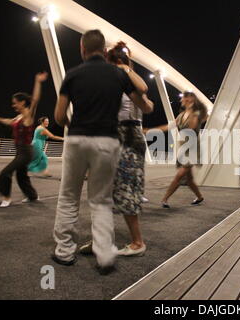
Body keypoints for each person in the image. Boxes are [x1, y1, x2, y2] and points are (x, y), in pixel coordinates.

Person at [52, 30, 149, 272]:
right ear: (104, 51)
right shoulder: (118, 74)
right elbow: (143, 103)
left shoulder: (72, 75)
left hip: (77, 139)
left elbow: (58, 115)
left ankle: (64, 252)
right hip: (107, 141)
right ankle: (105, 256)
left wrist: (71, 123)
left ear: (82, 49)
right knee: (101, 200)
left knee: (68, 197)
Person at [79, 42, 154, 258]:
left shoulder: (129, 80)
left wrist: (124, 69)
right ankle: (100, 240)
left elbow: (145, 94)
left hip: (128, 138)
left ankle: (138, 242)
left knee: (125, 190)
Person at [0, 72, 48, 207]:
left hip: (26, 152)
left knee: (5, 172)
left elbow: (35, 99)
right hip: (20, 151)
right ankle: (33, 196)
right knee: (21, 176)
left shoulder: (27, 116)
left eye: (15, 103)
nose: (13, 105)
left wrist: (38, 81)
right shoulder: (18, 117)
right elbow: (9, 121)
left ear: (22, 102)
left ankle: (6, 197)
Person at [153, 92, 207, 209]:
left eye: (184, 98)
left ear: (189, 100)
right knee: (189, 179)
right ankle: (199, 197)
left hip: (192, 149)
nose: (181, 100)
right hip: (184, 148)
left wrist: (192, 110)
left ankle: (165, 199)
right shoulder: (181, 115)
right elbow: (168, 127)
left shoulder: (196, 114)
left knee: (179, 176)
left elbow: (192, 128)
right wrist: (150, 131)